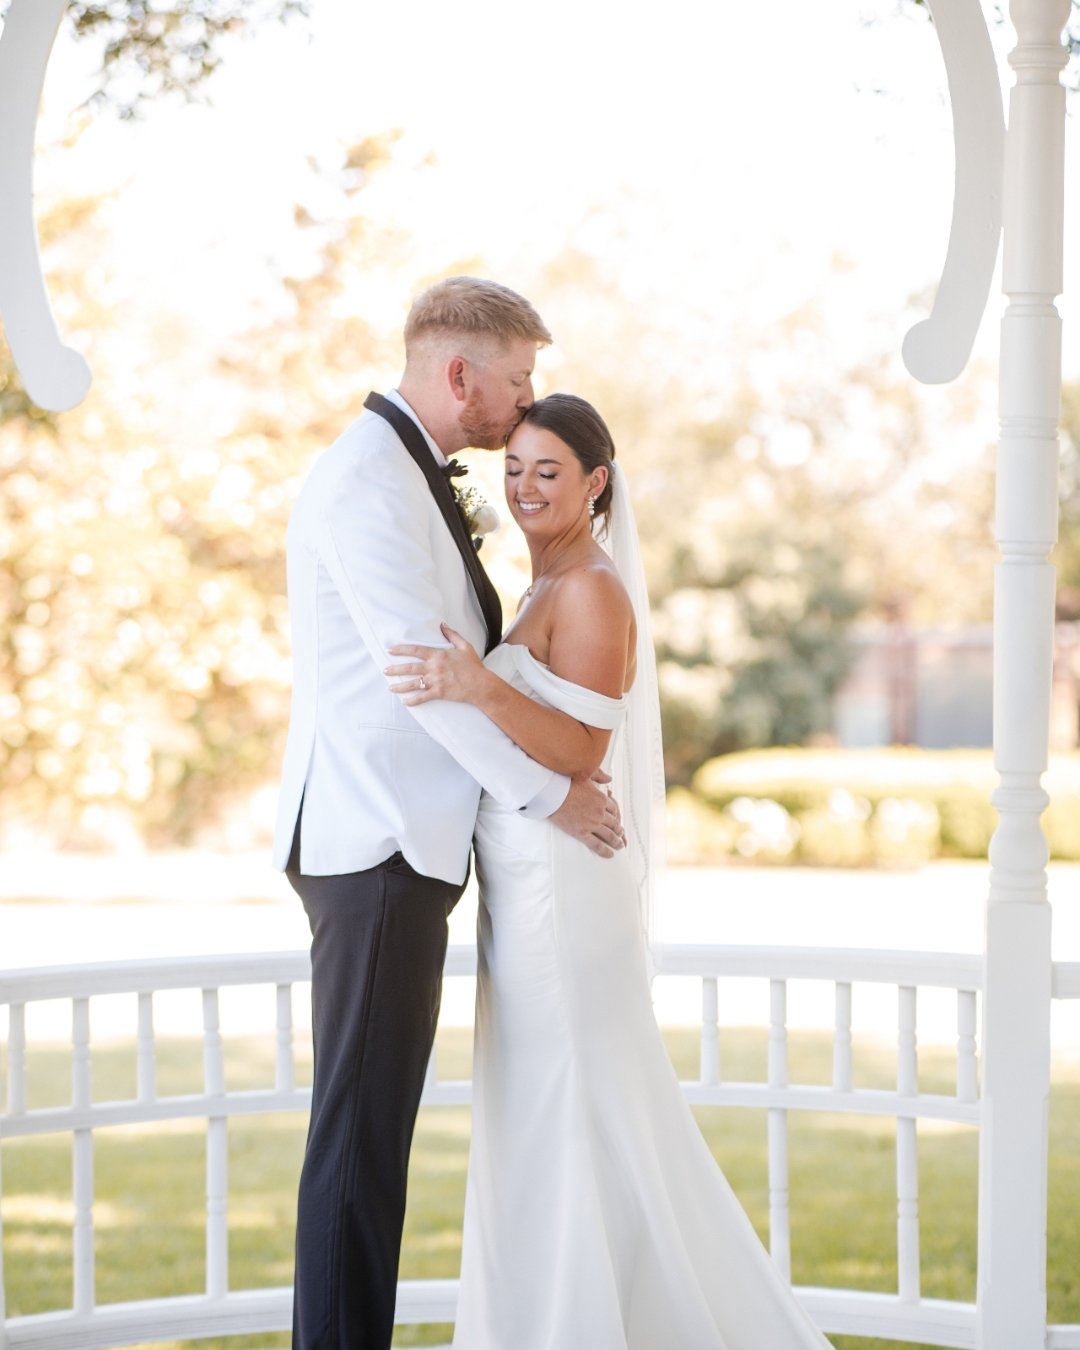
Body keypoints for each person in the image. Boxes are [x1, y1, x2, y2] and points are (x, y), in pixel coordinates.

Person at [386, 394, 834, 1349]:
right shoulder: (543, 584)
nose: (523, 488)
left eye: (547, 471)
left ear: (594, 483)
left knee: (570, 1098)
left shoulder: (590, 589)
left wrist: (474, 684)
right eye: (513, 469)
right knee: (545, 1101)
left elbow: (585, 749)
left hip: (560, 882)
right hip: (524, 875)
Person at [271, 280, 625, 1350]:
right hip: (376, 843)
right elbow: (421, 681)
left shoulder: (402, 475)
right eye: (517, 383)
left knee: (373, 1140)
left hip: (403, 848)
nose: (525, 407)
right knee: (358, 1148)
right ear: (459, 374)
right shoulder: (369, 485)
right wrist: (550, 791)